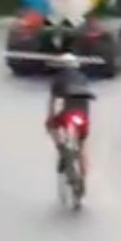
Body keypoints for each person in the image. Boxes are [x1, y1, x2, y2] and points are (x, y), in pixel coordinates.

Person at [44, 52, 96, 181]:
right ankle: (83, 180)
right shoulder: (83, 78)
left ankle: (61, 149)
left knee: (51, 126)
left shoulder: (58, 79)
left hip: (67, 115)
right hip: (83, 116)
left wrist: (49, 117)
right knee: (82, 145)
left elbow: (53, 101)